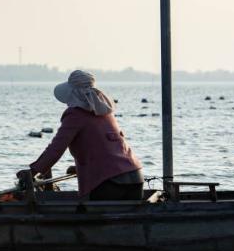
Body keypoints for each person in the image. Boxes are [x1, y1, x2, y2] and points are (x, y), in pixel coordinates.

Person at [18, 70, 143, 200]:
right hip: (135, 177)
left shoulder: (75, 114)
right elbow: (108, 149)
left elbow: (56, 149)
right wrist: (83, 168)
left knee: (89, 213)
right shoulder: (105, 111)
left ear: (73, 93)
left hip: (111, 182)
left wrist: (32, 172)